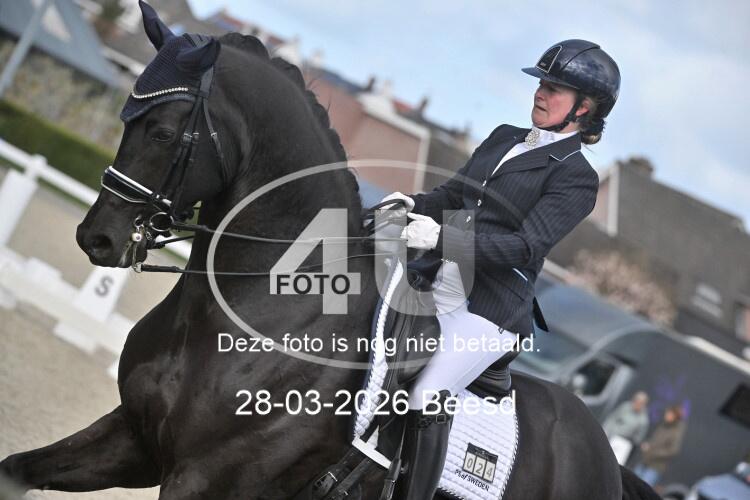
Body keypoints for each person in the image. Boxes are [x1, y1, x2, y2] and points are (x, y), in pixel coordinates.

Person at [380, 39, 620, 499]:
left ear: (584, 107)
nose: (540, 93)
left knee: (425, 396)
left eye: (554, 88)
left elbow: (524, 247)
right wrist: (410, 204)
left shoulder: (576, 177)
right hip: (436, 281)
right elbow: (452, 197)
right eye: (541, 83)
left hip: (488, 312)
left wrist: (440, 238)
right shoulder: (504, 136)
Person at [634, 405, 687, 488]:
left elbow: (673, 450)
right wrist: (648, 445)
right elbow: (655, 440)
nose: (666, 415)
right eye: (667, 413)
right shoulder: (663, 425)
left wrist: (654, 452)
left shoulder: (676, 432)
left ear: (675, 417)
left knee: (642, 489)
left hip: (655, 467)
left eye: (669, 414)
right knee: (630, 483)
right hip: (645, 460)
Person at [603, 391, 651, 463]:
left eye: (640, 403)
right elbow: (612, 418)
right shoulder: (625, 407)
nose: (637, 404)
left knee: (613, 463)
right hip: (609, 436)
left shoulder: (643, 420)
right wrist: (605, 431)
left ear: (644, 405)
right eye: (636, 401)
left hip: (623, 444)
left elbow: (638, 438)